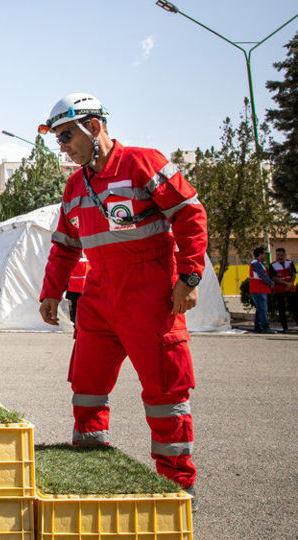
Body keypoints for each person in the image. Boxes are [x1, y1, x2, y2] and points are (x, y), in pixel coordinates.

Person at [37, 93, 207, 507]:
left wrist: (188, 276)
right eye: (58, 140)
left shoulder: (143, 163)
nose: (63, 147)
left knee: (165, 389)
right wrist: (51, 292)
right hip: (98, 294)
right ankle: (90, 460)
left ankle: (177, 482)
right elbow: (65, 246)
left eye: (66, 136)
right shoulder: (75, 185)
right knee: (87, 383)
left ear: (93, 127)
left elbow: (190, 214)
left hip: (150, 291)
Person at [249, 247, 276, 334]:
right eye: (264, 254)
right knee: (263, 309)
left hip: (259, 289)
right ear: (260, 254)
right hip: (258, 289)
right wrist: (271, 283)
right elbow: (262, 275)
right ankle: (265, 326)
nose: (265, 255)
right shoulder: (256, 264)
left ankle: (258, 327)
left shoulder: (258, 263)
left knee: (260, 309)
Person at [270, 247, 297, 332]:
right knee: (281, 310)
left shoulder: (290, 263)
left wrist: (290, 283)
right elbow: (274, 278)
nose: (280, 257)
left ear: (285, 255)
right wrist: (286, 284)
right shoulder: (272, 265)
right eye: (278, 255)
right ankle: (285, 328)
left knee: (295, 308)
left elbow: (294, 274)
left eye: (281, 255)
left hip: (291, 289)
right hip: (279, 290)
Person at [65, 255, 90, 325]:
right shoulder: (87, 262)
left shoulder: (71, 261)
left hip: (73, 289)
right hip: (83, 289)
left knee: (74, 307)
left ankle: (75, 323)